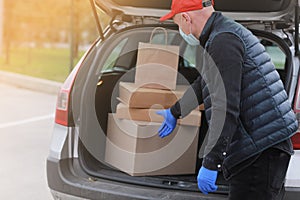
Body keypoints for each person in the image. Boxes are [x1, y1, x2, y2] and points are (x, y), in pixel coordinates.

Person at [156, 0, 298, 199]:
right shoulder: (222, 34)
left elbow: (226, 106)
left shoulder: (223, 41)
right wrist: (175, 111)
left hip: (260, 149)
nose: (180, 29)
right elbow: (204, 81)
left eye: (177, 23)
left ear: (186, 18)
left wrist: (211, 162)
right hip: (260, 144)